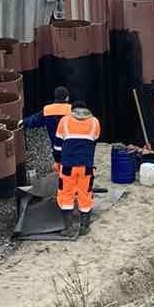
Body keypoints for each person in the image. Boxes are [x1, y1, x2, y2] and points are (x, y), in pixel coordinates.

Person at [55, 101, 101, 236]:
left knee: (66, 194)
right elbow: (94, 140)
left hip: (68, 165)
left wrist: (57, 161)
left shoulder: (64, 121)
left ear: (72, 110)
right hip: (86, 166)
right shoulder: (94, 122)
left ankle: (69, 228)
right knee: (85, 194)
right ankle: (84, 227)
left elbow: (58, 146)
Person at [22, 86, 71, 170]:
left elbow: (33, 120)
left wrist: (23, 122)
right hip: (71, 145)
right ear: (67, 98)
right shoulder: (72, 110)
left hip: (55, 146)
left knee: (60, 165)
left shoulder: (47, 110)